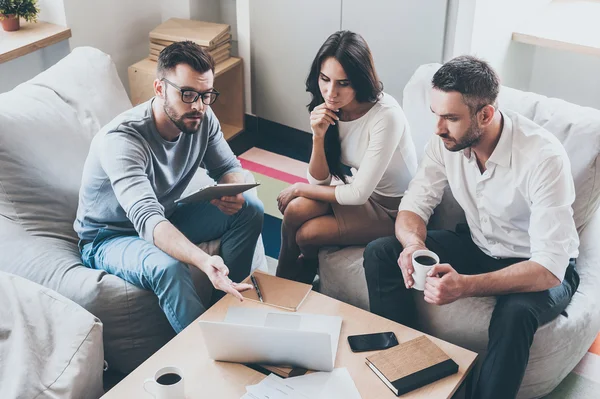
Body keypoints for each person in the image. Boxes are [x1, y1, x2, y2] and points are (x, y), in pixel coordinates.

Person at [363, 55, 580, 399]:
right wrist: (413, 247)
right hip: (479, 246)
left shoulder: (543, 157)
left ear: (486, 115)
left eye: (450, 118)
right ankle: (408, 370)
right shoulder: (445, 141)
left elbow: (550, 267)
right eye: (436, 114)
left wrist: (465, 286)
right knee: (381, 252)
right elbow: (413, 206)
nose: (437, 128)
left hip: (535, 266)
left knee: (515, 316)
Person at [74, 41, 264, 333]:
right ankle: (208, 354)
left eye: (206, 95)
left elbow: (228, 167)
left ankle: (228, 312)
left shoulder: (201, 116)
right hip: (109, 236)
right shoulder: (122, 140)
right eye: (187, 94)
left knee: (250, 208)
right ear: (160, 88)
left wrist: (232, 190)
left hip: (167, 213)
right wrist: (203, 261)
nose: (198, 106)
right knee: (169, 268)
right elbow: (148, 220)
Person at [275, 30, 418, 283]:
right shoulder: (332, 109)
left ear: (360, 81)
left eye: (344, 83)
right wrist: (317, 136)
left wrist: (299, 187)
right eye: (325, 79)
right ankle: (283, 276)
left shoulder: (386, 116)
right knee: (295, 211)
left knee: (307, 235)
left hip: (393, 210)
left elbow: (357, 194)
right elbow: (319, 182)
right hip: (361, 194)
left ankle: (300, 274)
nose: (331, 92)